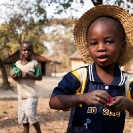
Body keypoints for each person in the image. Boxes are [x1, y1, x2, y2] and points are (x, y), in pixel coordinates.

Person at [49, 5, 133, 133]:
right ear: (88, 47)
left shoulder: (128, 82)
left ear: (122, 46)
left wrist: (128, 104)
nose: (100, 48)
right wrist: (82, 98)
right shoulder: (79, 76)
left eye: (108, 41)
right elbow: (54, 102)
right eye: (94, 43)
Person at [10, 41, 42, 133]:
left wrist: (28, 75)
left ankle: (39, 132)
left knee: (31, 115)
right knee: (24, 119)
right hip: (21, 96)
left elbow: (39, 77)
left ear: (32, 51)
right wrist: (14, 77)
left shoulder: (34, 63)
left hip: (31, 95)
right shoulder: (17, 64)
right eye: (24, 50)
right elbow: (16, 79)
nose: (27, 52)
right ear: (20, 52)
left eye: (29, 50)